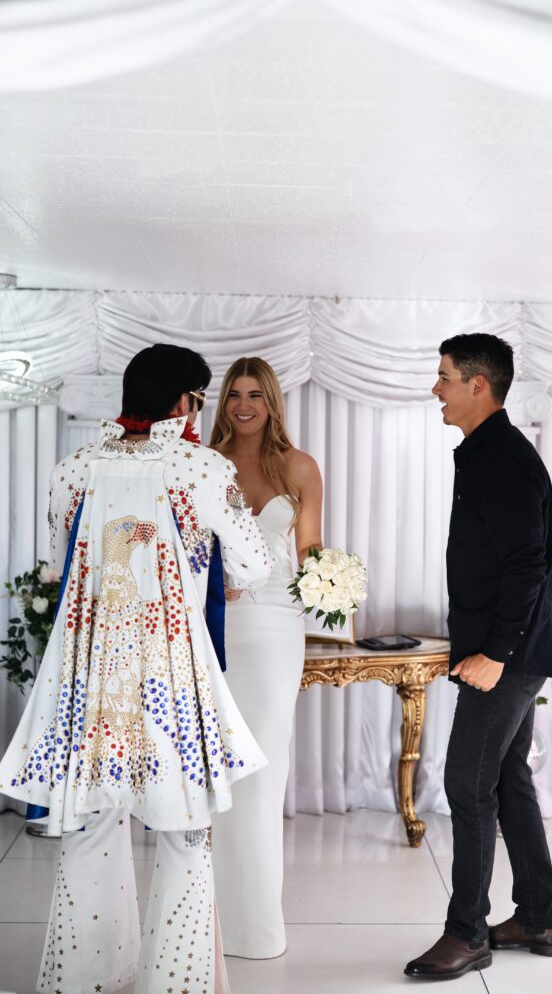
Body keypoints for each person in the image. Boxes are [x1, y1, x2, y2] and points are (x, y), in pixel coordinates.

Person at [0, 344, 274, 994]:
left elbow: (62, 560)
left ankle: (83, 981)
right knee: (182, 831)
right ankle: (176, 984)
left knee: (91, 823)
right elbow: (255, 563)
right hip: (169, 677)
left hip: (90, 676)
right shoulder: (201, 468)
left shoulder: (71, 469)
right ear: (186, 401)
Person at [405, 333, 552, 982]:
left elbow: (527, 566)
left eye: (443, 377)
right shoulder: (485, 453)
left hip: (506, 654)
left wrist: (495, 653)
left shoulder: (499, 457)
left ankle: (467, 933)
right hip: (510, 649)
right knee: (505, 782)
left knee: (466, 785)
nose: (435, 388)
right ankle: (537, 917)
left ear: (478, 384)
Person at [209, 356, 323, 959]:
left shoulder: (300, 467)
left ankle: (257, 927)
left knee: (263, 768)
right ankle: (214, 921)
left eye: (255, 394)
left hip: (278, 629)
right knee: (221, 769)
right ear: (222, 402)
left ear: (272, 400)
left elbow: (311, 554)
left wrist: (335, 587)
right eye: (234, 395)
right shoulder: (203, 465)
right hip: (216, 631)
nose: (244, 405)